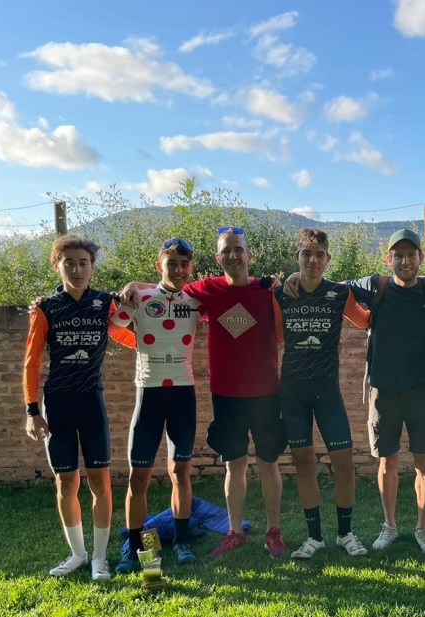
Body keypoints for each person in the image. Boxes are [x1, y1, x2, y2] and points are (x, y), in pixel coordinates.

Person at [123, 226, 288, 559]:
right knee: (234, 465)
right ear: (217, 257)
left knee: (268, 463)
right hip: (225, 394)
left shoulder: (267, 289)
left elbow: (282, 335)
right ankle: (234, 532)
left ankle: (273, 531)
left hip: (266, 392)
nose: (233, 255)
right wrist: (133, 286)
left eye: (238, 249)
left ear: (249, 254)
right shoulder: (207, 290)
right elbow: (168, 286)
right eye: (226, 250)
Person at [23, 234, 136, 580]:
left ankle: (99, 558)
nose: (76, 269)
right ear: (57, 265)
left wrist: (152, 335)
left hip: (91, 403)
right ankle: (77, 554)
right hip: (57, 404)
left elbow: (127, 335)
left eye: (83, 263)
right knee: (65, 483)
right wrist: (32, 411)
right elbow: (31, 361)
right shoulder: (45, 308)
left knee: (101, 482)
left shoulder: (104, 303)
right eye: (68, 263)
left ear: (92, 267)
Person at [351, 229, 425, 553]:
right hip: (383, 391)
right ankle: (390, 526)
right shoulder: (376, 285)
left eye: (411, 254)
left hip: (420, 391)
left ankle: (423, 528)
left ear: (421, 258)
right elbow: (338, 289)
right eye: (399, 255)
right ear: (389, 258)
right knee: (387, 462)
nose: (405, 261)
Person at [274, 228, 373, 559]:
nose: (313, 260)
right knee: (304, 464)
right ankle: (314, 537)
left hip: (327, 392)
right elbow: (273, 336)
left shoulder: (339, 293)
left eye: (319, 255)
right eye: (306, 254)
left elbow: (365, 321)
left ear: (328, 259)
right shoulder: (281, 294)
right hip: (293, 393)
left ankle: (345, 533)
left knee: (344, 463)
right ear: (297, 257)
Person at [110, 238, 202, 574]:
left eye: (184, 264)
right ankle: (135, 547)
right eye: (171, 263)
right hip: (148, 394)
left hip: (183, 394)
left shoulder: (198, 300)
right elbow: (112, 327)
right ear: (158, 266)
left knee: (180, 473)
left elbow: (231, 294)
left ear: (191, 268)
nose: (178, 270)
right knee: (139, 477)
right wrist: (133, 288)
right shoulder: (140, 297)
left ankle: (180, 541)